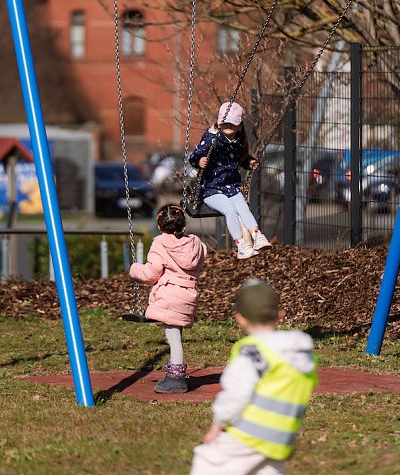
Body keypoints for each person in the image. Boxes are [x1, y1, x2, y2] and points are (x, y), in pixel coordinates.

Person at [190, 279, 317, 475]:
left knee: (207, 465)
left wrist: (218, 424)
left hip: (246, 436)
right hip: (280, 438)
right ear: (279, 315)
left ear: (240, 318)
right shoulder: (301, 352)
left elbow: (237, 394)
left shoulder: (253, 353)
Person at [129, 203, 207, 394]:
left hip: (170, 295)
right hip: (188, 295)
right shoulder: (195, 243)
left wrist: (135, 269)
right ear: (183, 224)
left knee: (173, 339)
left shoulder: (160, 243)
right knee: (176, 333)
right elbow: (202, 255)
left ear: (159, 226)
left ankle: (176, 379)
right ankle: (174, 373)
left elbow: (152, 273)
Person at [189, 101, 272, 260]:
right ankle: (241, 245)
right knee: (230, 210)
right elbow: (195, 157)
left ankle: (257, 236)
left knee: (244, 208)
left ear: (239, 126)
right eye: (225, 122)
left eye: (232, 123)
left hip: (231, 187)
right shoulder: (212, 138)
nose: (228, 125)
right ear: (220, 123)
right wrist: (200, 162)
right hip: (211, 189)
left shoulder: (238, 143)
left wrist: (249, 162)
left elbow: (241, 159)